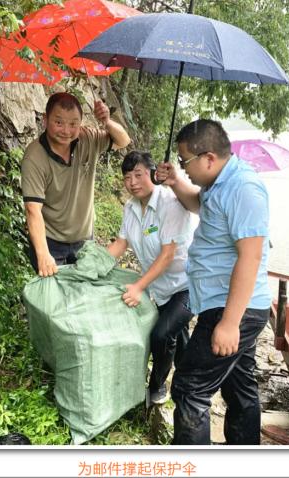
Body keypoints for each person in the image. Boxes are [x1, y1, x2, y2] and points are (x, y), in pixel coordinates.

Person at [155, 119, 271, 445]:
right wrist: (175, 181)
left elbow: (250, 257)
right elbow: (199, 204)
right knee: (239, 386)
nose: (183, 167)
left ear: (208, 158)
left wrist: (230, 323)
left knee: (189, 388)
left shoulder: (244, 189)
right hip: (225, 303)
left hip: (231, 307)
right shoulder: (218, 183)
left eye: (184, 162)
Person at [107, 151, 195, 405]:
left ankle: (157, 387)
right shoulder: (131, 207)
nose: (132, 182)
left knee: (161, 335)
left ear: (153, 173)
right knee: (177, 335)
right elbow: (121, 243)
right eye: (127, 177)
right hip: (160, 287)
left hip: (187, 284)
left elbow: (168, 255)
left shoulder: (171, 204)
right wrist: (96, 264)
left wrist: (138, 287)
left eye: (138, 175)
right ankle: (188, 384)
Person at [21, 92, 131, 277]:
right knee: (54, 294)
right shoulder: (34, 157)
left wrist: (107, 121)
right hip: (50, 242)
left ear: (80, 123)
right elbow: (33, 209)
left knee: (83, 290)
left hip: (84, 240)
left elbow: (123, 141)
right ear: (45, 120)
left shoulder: (88, 138)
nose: (66, 131)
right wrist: (43, 254)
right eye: (59, 122)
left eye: (73, 124)